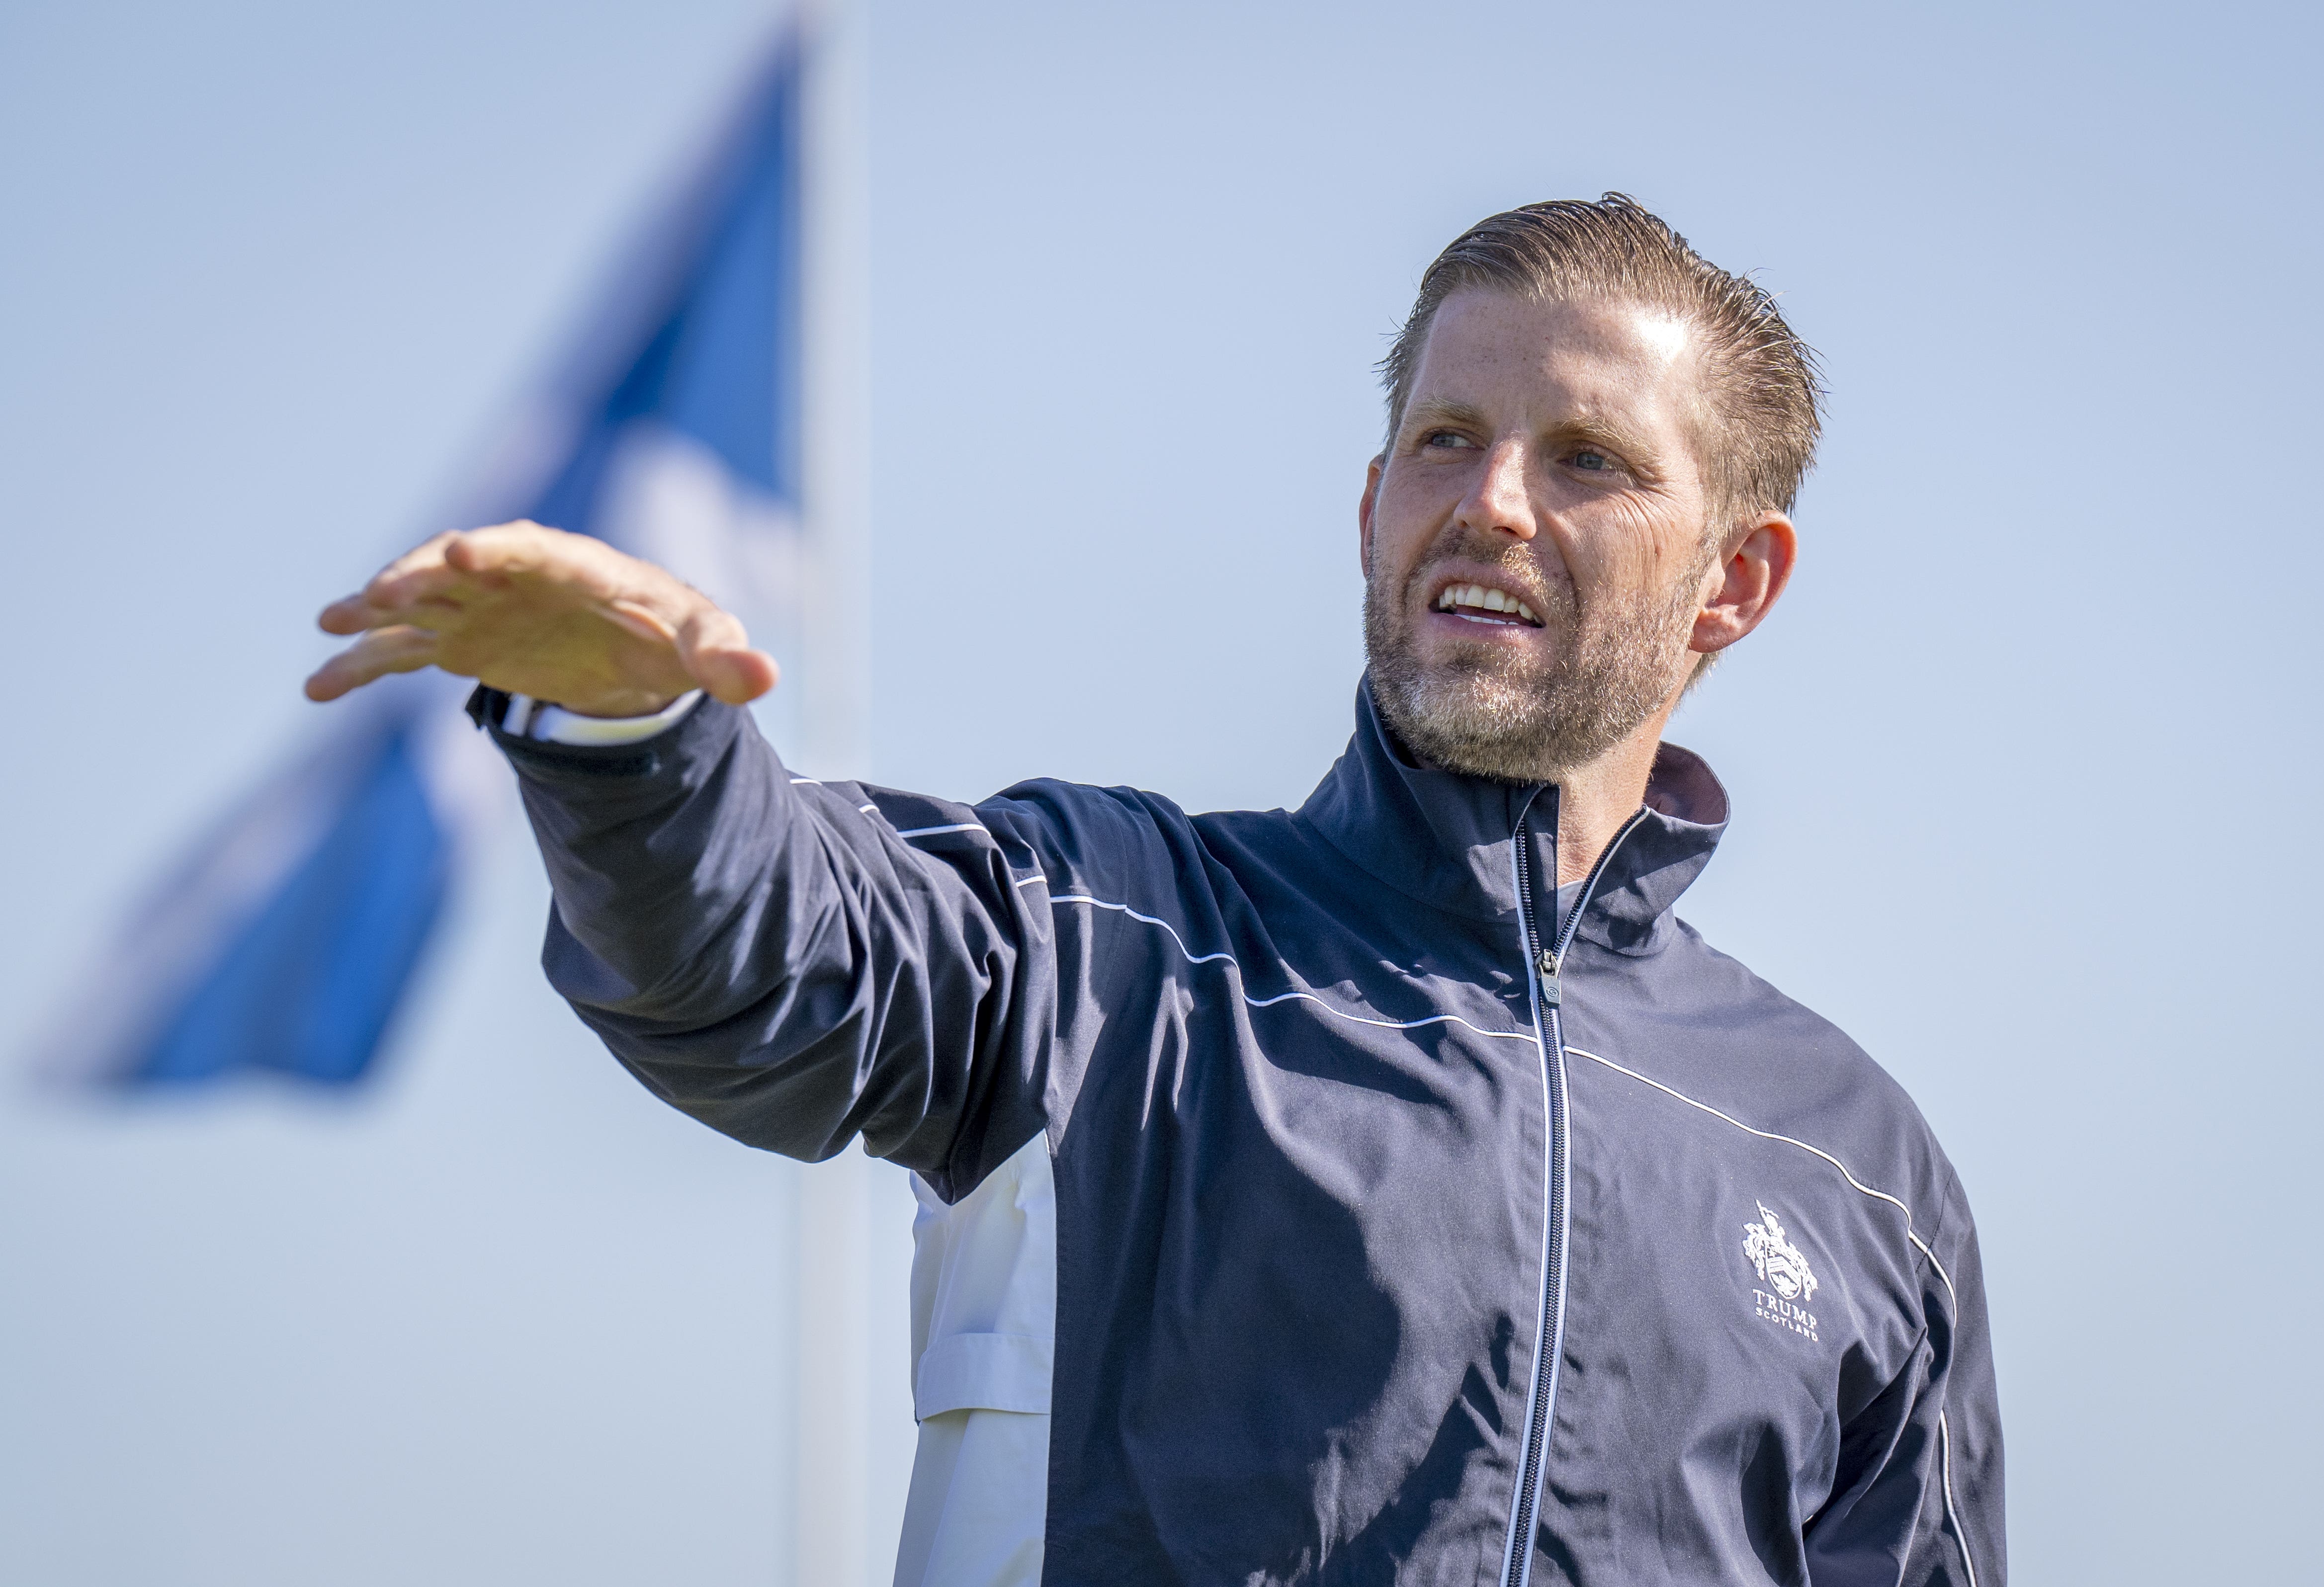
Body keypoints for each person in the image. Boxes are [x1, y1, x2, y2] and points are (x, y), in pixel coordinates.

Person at [309, 196, 2004, 1586]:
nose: (1490, 503)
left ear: (1737, 584)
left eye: (1587, 460)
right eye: (1447, 439)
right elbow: (766, 961)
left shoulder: (1858, 1172)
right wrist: (631, 734)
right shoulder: (1111, 929)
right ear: (1369, 509)